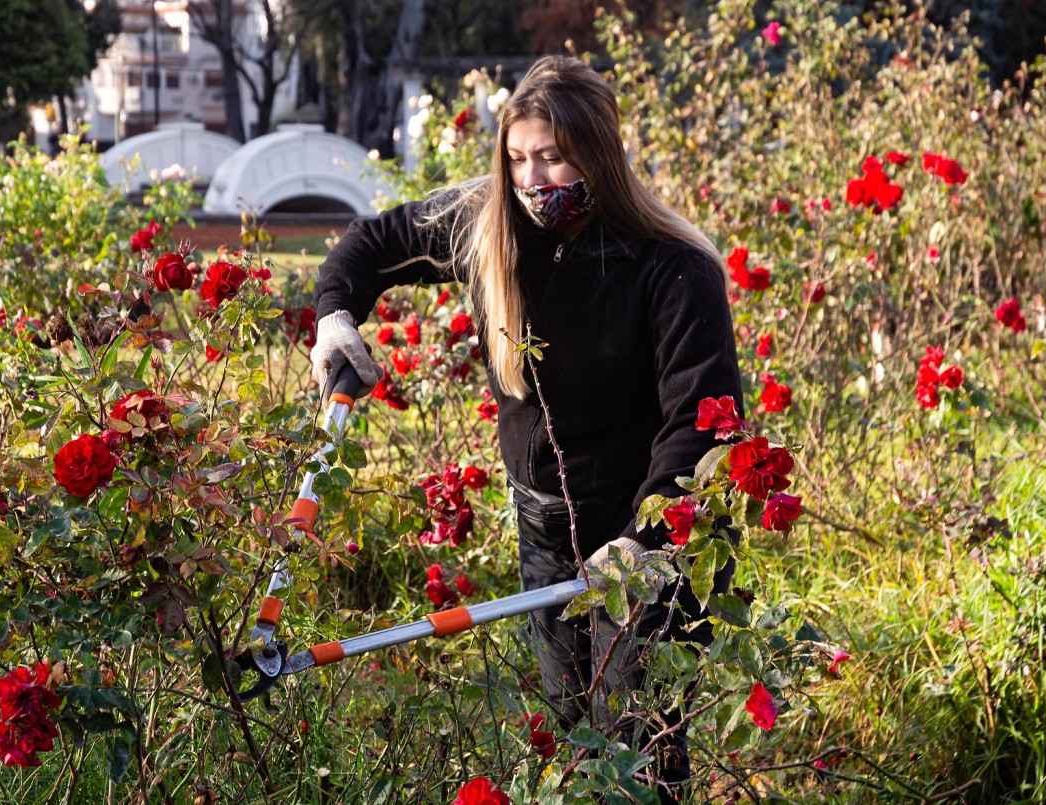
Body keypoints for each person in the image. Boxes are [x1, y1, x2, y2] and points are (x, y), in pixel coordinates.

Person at [309, 54, 742, 801]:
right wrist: (334, 314)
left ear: (596, 152)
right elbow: (372, 244)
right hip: (544, 529)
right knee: (572, 740)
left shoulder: (671, 268)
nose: (533, 178)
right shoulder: (492, 227)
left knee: (642, 753)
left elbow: (701, 425)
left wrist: (642, 544)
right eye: (517, 158)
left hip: (647, 537)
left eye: (551, 156)